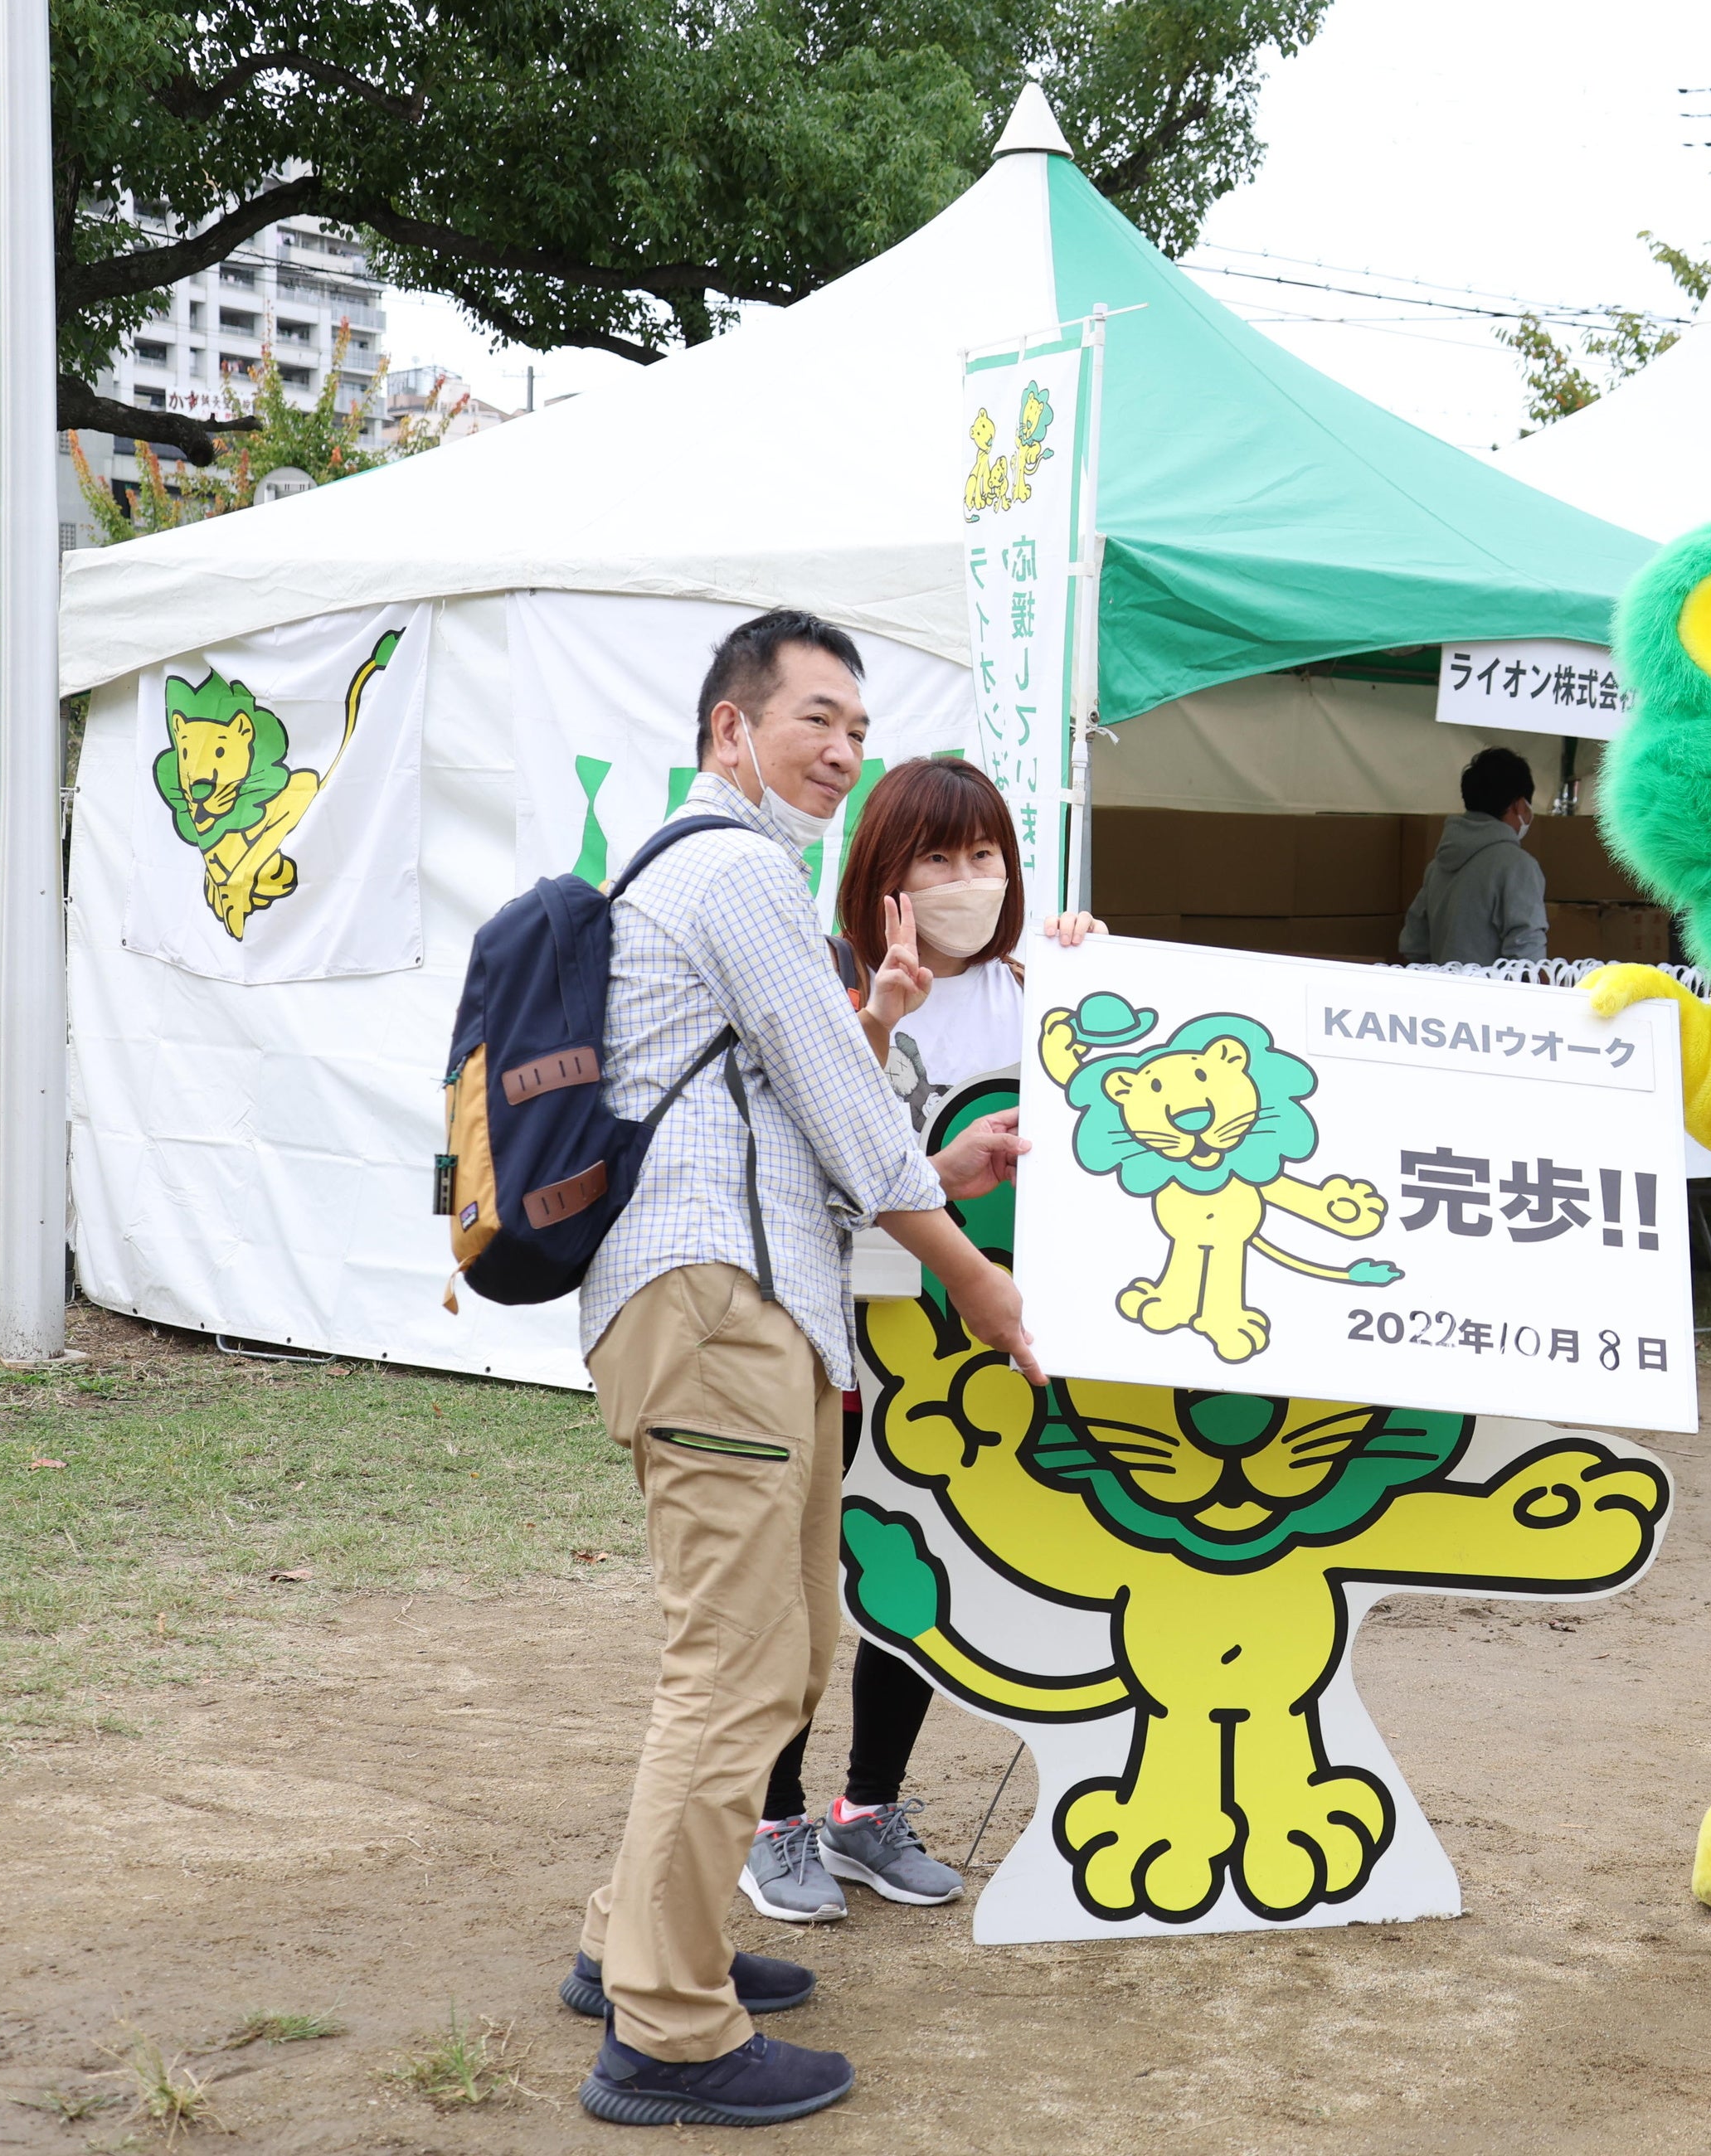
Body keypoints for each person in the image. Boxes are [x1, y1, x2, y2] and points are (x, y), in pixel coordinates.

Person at [566, 610, 1044, 2131]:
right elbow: (837, 1094)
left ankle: (642, 1939)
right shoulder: (736, 869)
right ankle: (668, 2031)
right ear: (730, 728)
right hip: (718, 1308)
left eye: (857, 724)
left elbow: (805, 1109)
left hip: (739, 1301)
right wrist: (970, 1269)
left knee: (766, 1650)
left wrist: (927, 1161)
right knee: (741, 1665)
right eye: (813, 719)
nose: (841, 749)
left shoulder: (694, 872)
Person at [731, 756, 1100, 1925]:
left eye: (984, 854)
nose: (964, 882)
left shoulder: (1035, 978)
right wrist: (884, 1017)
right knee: (801, 1587)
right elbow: (815, 1170)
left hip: (962, 1349)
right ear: (879, 875)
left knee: (916, 1566)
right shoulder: (830, 988)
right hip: (834, 1343)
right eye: (934, 859)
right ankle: (770, 1820)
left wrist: (1102, 964)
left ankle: (865, 1811)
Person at [1400, 745, 1547, 964]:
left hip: (1441, 992)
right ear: (1516, 805)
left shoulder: (1438, 865)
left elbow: (1413, 945)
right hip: (1492, 997)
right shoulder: (1517, 865)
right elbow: (1528, 955)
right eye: (1527, 807)